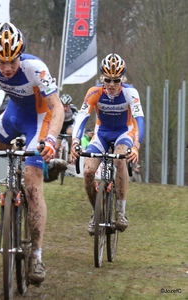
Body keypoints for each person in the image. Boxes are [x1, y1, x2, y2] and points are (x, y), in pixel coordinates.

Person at [0, 22, 66, 284]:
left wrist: (50, 140)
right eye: (2, 62)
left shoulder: (35, 67)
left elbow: (58, 108)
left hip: (39, 120)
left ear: (20, 55)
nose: (8, 67)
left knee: (33, 188)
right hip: (12, 116)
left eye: (13, 60)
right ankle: (10, 202)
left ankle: (36, 254)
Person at [71, 53, 145, 235]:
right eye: (108, 80)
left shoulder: (130, 93)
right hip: (101, 134)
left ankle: (120, 211)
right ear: (102, 78)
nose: (111, 84)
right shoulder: (94, 92)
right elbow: (81, 117)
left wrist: (136, 146)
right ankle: (96, 213)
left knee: (120, 161)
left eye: (116, 80)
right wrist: (75, 141)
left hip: (123, 134)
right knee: (88, 171)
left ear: (122, 79)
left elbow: (139, 120)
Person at [55, 94, 78, 159]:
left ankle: (69, 150)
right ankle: (56, 160)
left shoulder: (73, 108)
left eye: (66, 106)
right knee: (56, 147)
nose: (65, 108)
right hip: (60, 125)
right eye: (63, 106)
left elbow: (78, 118)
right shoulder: (57, 108)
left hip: (69, 125)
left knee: (70, 133)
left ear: (70, 105)